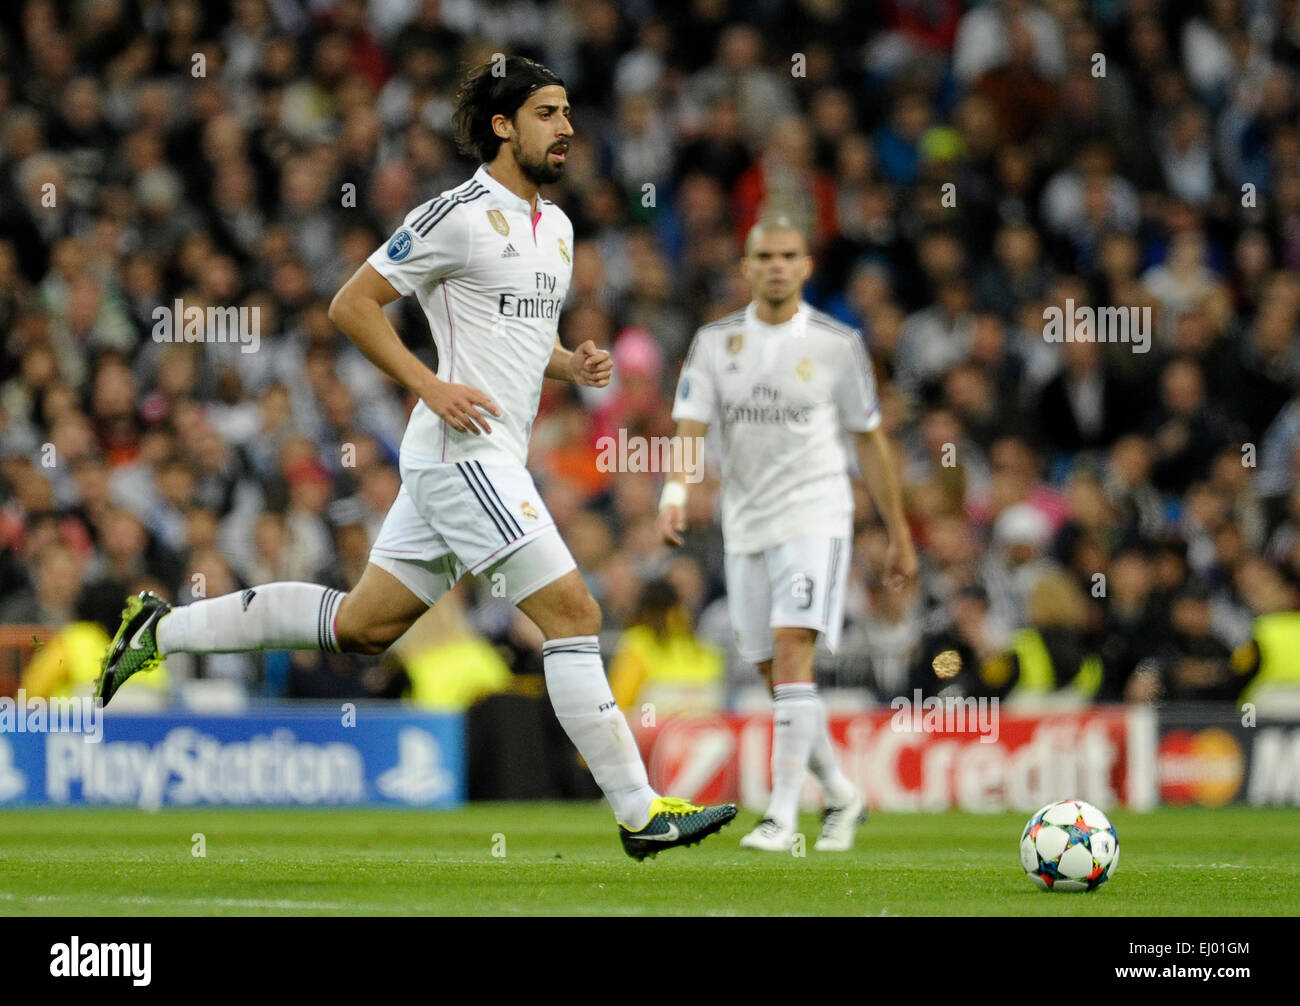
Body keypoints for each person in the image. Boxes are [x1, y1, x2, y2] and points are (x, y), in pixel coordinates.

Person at [95, 56, 735, 860]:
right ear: (503, 126)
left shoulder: (560, 229)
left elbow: (512, 339)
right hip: (461, 454)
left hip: (481, 456)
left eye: (569, 112)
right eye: (547, 113)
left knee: (361, 626)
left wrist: (570, 363)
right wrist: (430, 385)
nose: (567, 127)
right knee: (574, 615)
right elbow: (351, 305)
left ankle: (162, 629)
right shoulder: (456, 213)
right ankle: (640, 813)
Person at [658, 216, 917, 852]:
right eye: (764, 255)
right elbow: (689, 425)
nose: (776, 265)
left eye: (788, 255)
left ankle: (780, 816)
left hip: (816, 516)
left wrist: (898, 529)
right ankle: (843, 793)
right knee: (775, 674)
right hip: (745, 525)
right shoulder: (715, 343)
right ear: (746, 267)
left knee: (793, 649)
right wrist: (675, 492)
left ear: (806, 266)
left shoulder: (837, 344)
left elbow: (871, 442)